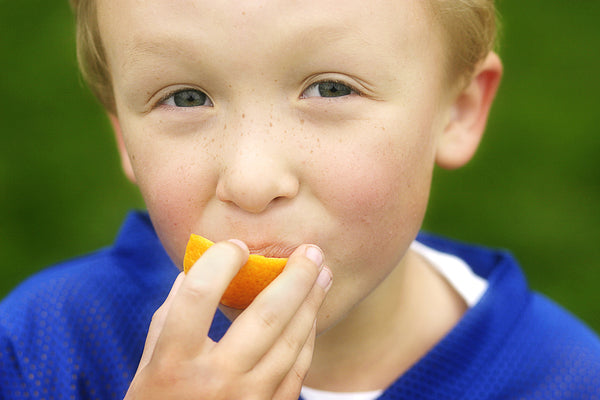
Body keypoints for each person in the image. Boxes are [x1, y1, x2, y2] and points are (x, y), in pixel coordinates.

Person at [1, 0, 599, 398]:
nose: (252, 182)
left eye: (330, 88)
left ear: (458, 111)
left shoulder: (564, 379)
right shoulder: (48, 349)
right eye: (185, 98)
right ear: (123, 136)